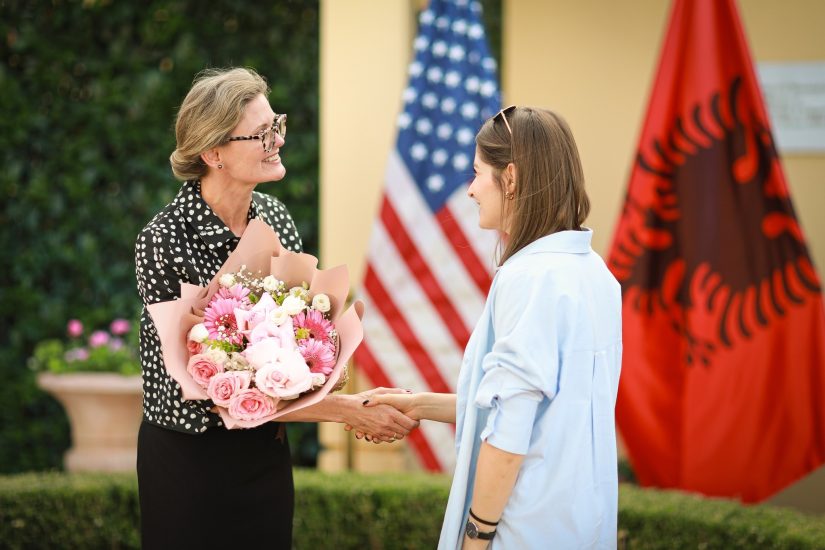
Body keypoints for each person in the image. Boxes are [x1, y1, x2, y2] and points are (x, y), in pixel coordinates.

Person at [134, 67, 417, 549]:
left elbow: (298, 329)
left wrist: (322, 366)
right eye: (262, 133)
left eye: (277, 125)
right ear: (213, 153)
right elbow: (202, 388)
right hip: (189, 465)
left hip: (264, 457)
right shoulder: (163, 240)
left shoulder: (276, 217)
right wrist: (345, 411)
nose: (278, 141)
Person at [361, 106, 623, 548]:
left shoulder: (530, 278)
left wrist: (476, 537)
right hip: (581, 525)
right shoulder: (595, 272)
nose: (470, 189)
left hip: (524, 531)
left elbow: (510, 431)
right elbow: (540, 408)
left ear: (511, 178)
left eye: (478, 173)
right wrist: (419, 405)